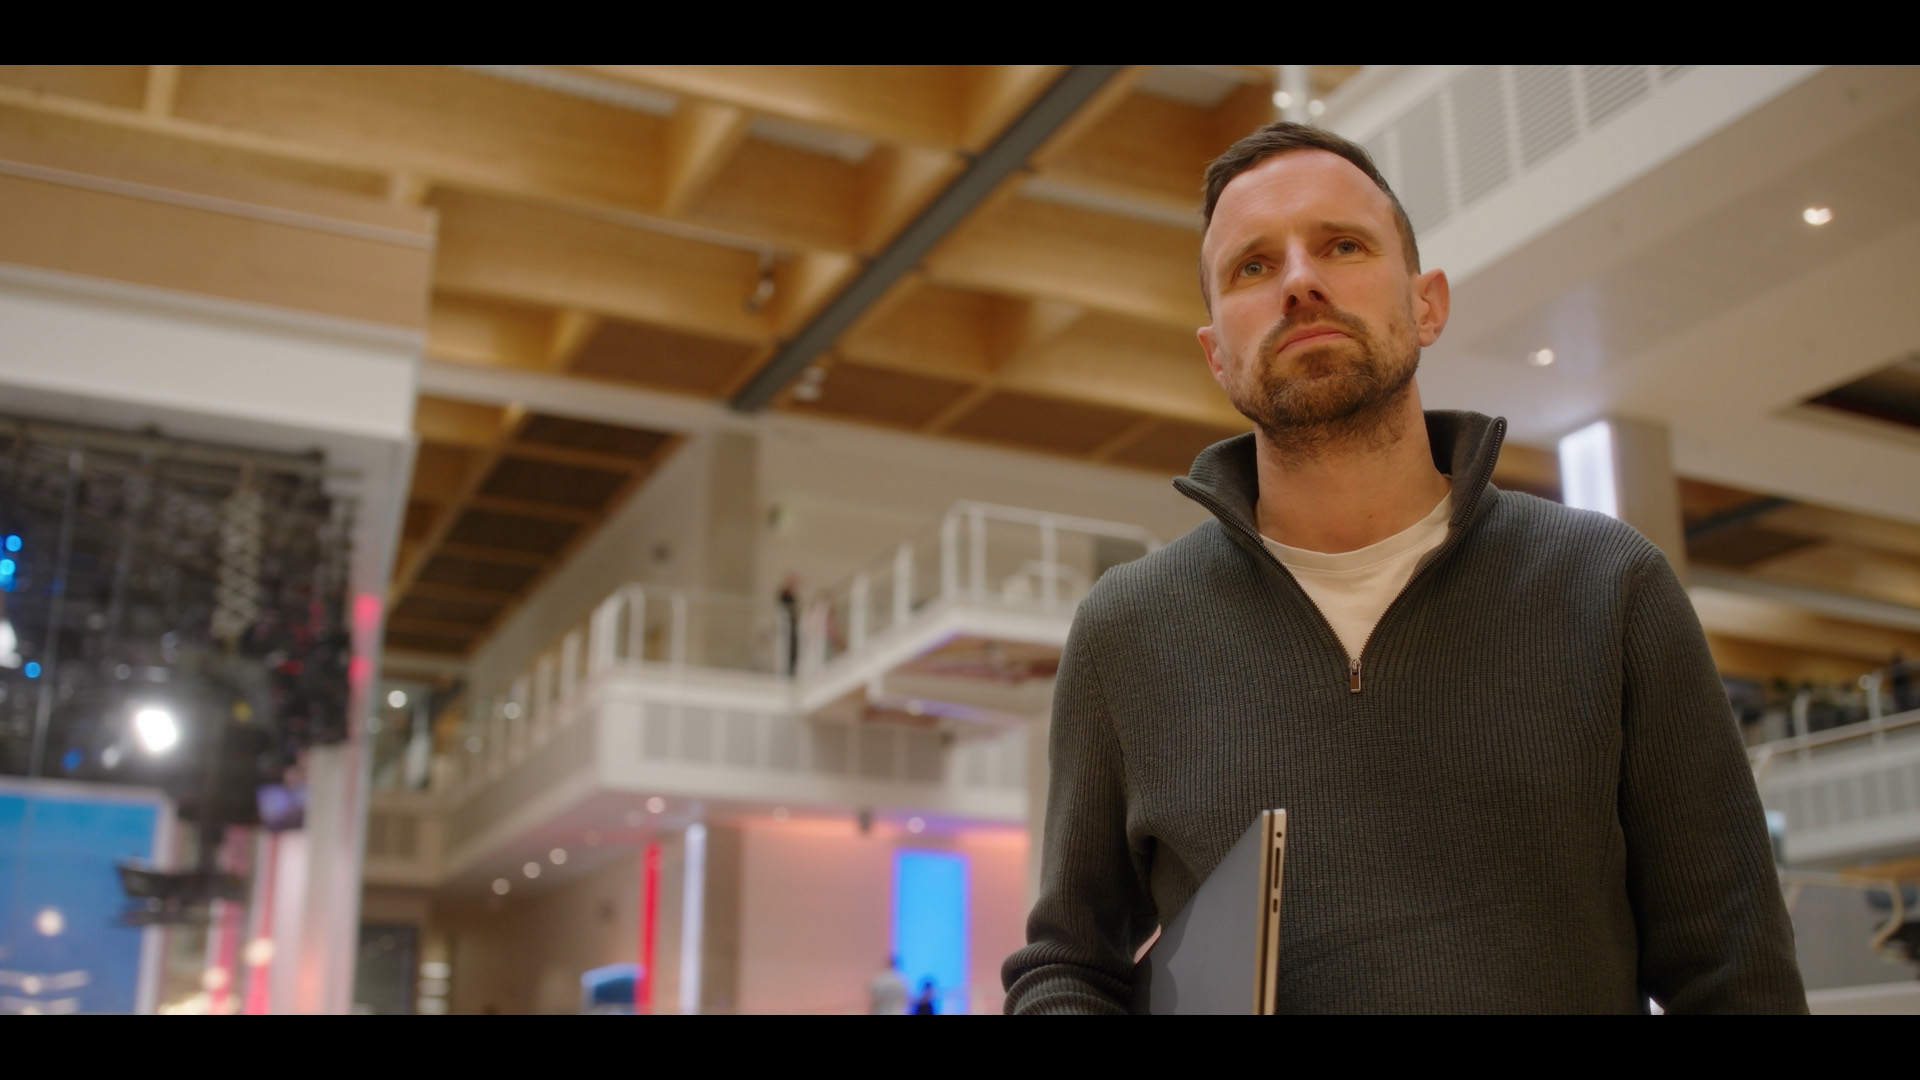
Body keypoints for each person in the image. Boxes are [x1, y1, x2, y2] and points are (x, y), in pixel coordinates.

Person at [1002, 121, 1805, 1014]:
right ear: (1216, 353)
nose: (1300, 281)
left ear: (1427, 303)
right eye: (1253, 267)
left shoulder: (1610, 588)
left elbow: (1736, 972)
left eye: (1341, 246)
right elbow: (1069, 964)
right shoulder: (1130, 630)